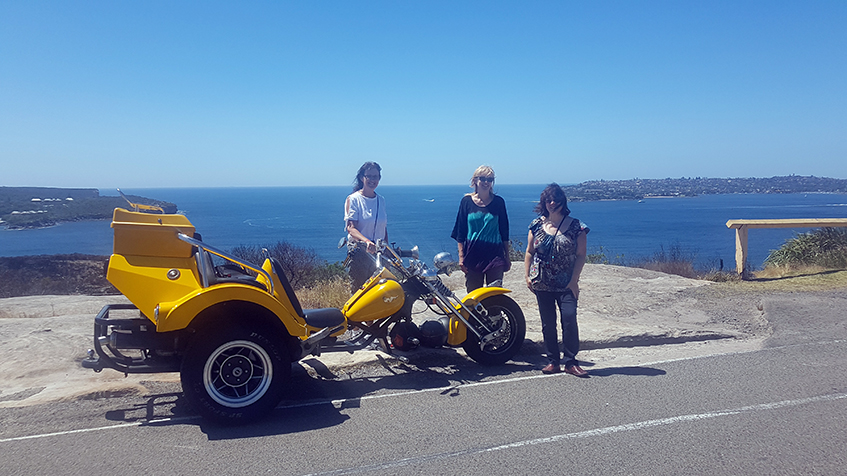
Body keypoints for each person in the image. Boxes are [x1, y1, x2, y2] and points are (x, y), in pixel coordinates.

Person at [524, 183, 590, 376]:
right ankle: (553, 361)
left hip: (566, 283)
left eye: (556, 200)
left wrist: (574, 280)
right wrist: (527, 275)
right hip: (542, 282)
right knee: (548, 322)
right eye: (548, 200)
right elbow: (529, 252)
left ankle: (571, 362)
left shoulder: (577, 226)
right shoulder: (536, 224)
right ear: (544, 202)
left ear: (563, 202)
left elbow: (581, 255)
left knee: (569, 318)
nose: (552, 203)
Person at [451, 165, 511, 293]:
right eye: (482, 178)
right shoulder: (466, 202)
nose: (486, 182)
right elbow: (460, 231)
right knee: (473, 298)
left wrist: (507, 256)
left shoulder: (499, 202)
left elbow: (504, 231)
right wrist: (461, 257)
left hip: (495, 256)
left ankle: (496, 314)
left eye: (489, 179)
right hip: (473, 256)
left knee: (495, 296)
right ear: (475, 181)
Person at [344, 161, 388, 293]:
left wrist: (387, 249)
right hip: (360, 253)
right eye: (369, 176)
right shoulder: (354, 199)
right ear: (362, 177)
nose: (372, 180)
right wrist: (367, 241)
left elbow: (383, 228)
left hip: (380, 254)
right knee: (360, 292)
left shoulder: (381, 200)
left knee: (381, 292)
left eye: (376, 177)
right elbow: (351, 228)